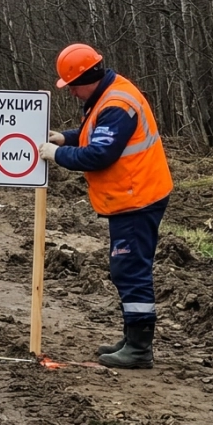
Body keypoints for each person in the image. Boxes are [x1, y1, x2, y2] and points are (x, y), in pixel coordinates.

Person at [39, 43, 172, 369]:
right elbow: (95, 135)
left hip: (137, 198)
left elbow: (100, 154)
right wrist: (66, 138)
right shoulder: (109, 95)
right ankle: (132, 339)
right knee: (127, 270)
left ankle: (139, 349)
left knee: (130, 270)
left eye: (71, 85)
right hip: (130, 196)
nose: (70, 92)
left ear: (87, 77)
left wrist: (57, 155)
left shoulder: (116, 104)